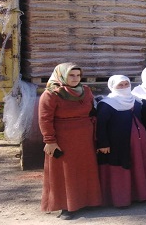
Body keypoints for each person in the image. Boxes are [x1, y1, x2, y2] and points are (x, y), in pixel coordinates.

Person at [39, 63, 101, 220]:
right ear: (61, 75)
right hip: (63, 139)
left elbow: (91, 111)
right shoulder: (51, 94)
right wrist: (50, 141)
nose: (75, 78)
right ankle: (67, 206)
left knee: (85, 169)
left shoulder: (85, 91)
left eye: (78, 75)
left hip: (84, 138)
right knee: (66, 172)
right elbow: (45, 119)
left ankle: (88, 201)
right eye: (71, 75)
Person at [96, 75, 146, 207]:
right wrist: (103, 143)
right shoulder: (107, 104)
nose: (124, 87)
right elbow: (101, 125)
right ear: (112, 87)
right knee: (120, 167)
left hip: (138, 142)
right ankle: (121, 199)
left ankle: (140, 194)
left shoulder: (136, 101)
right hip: (117, 142)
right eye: (120, 85)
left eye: (126, 84)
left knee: (137, 165)